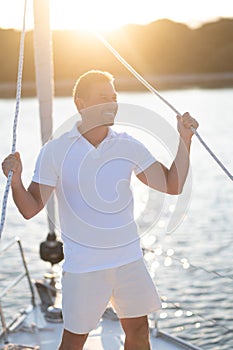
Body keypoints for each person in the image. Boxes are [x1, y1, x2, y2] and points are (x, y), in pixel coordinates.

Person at [2, 70, 198, 350]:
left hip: (129, 260)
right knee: (73, 342)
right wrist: (17, 179)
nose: (113, 103)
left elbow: (172, 184)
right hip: (84, 266)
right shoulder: (55, 151)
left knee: (139, 331)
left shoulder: (128, 144)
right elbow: (31, 208)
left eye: (114, 97)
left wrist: (184, 140)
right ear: (81, 104)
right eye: (104, 98)